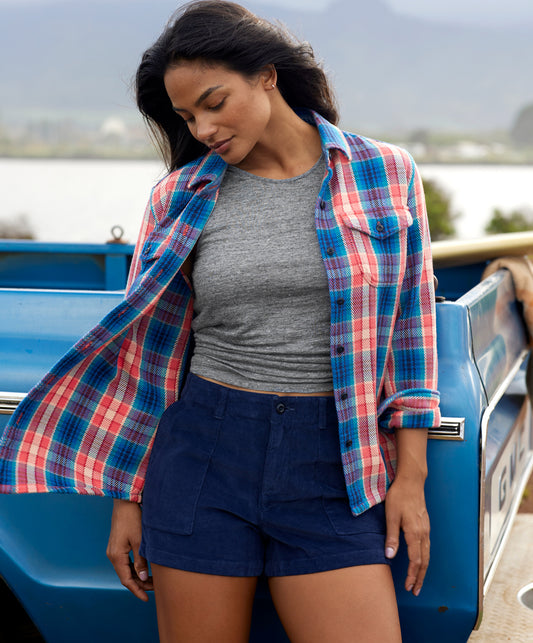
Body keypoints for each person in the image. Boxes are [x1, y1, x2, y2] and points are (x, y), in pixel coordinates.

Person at [0, 1, 440, 641]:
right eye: (186, 117)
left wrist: (411, 479)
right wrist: (128, 497)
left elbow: (410, 330)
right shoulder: (179, 197)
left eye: (214, 103)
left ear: (267, 75)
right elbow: (146, 358)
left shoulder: (385, 173)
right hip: (204, 454)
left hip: (338, 465)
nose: (203, 128)